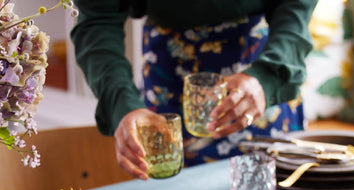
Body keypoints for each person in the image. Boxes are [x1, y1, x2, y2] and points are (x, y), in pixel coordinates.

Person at [71, 0, 318, 180]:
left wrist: (268, 76)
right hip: (169, 73)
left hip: (261, 68)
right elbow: (97, 20)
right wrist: (122, 105)